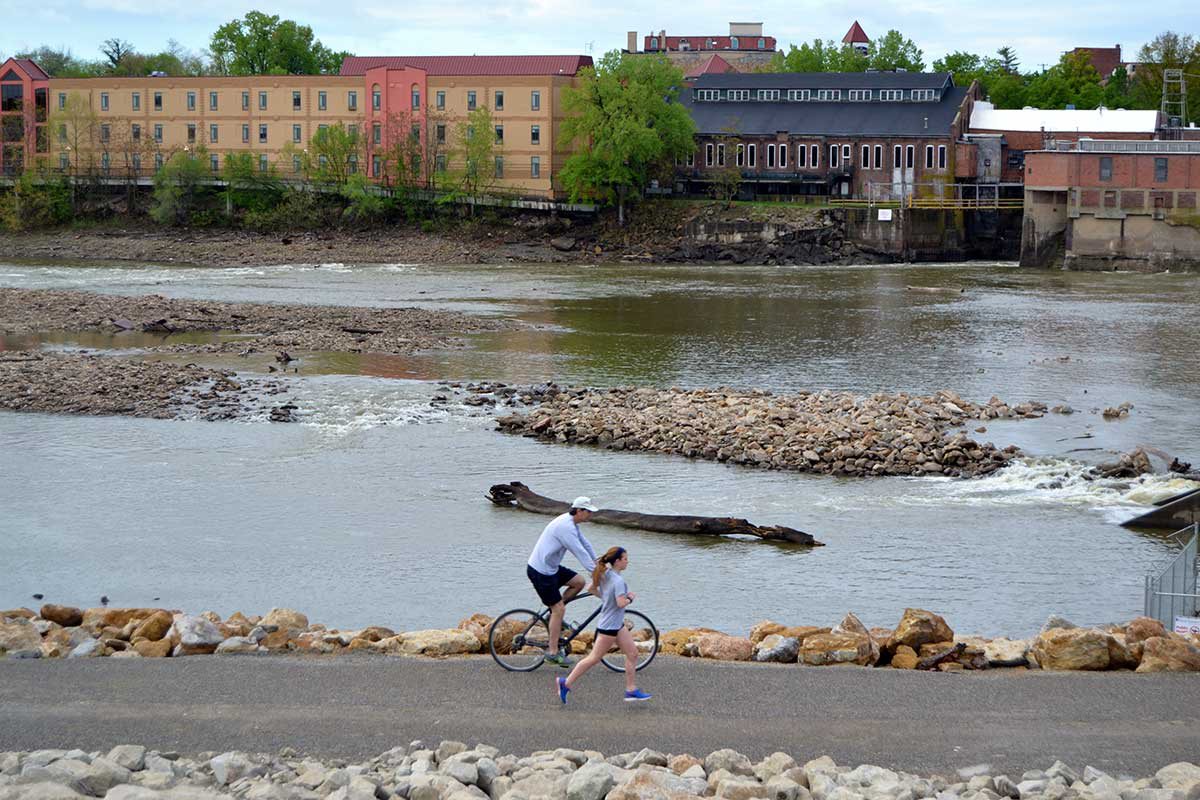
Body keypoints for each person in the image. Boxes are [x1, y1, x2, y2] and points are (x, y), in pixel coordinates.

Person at [556, 546, 651, 703]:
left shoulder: (606, 574)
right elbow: (621, 603)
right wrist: (631, 598)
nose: (628, 561)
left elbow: (591, 588)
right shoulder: (618, 581)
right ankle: (565, 683)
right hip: (609, 627)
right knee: (593, 658)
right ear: (618, 561)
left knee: (633, 654)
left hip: (616, 624)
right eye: (625, 559)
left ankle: (631, 690)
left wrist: (607, 598)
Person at [527, 496, 599, 667]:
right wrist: (596, 574)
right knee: (559, 608)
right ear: (579, 511)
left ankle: (554, 617)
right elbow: (579, 552)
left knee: (579, 582)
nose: (590, 515)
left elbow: (585, 544)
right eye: (588, 511)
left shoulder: (572, 523)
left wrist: (598, 562)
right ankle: (552, 652)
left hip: (551, 569)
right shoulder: (565, 527)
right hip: (540, 572)